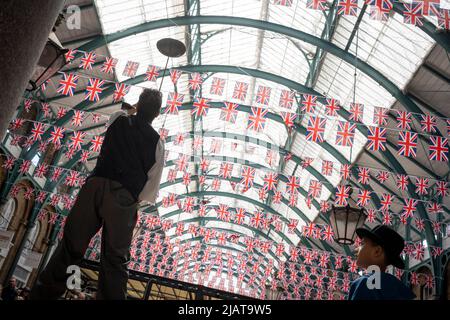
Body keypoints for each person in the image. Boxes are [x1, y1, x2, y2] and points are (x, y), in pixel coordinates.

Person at [30, 88, 165, 300]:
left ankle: (42, 296)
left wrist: (137, 109)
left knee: (71, 245)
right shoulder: (158, 143)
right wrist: (132, 201)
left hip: (94, 185)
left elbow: (125, 111)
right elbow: (151, 185)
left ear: (137, 105)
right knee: (115, 259)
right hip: (124, 196)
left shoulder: (118, 119)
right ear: (157, 114)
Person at [348, 225, 416, 300]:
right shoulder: (401, 289)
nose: (357, 248)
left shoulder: (364, 283)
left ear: (377, 251)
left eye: (362, 244)